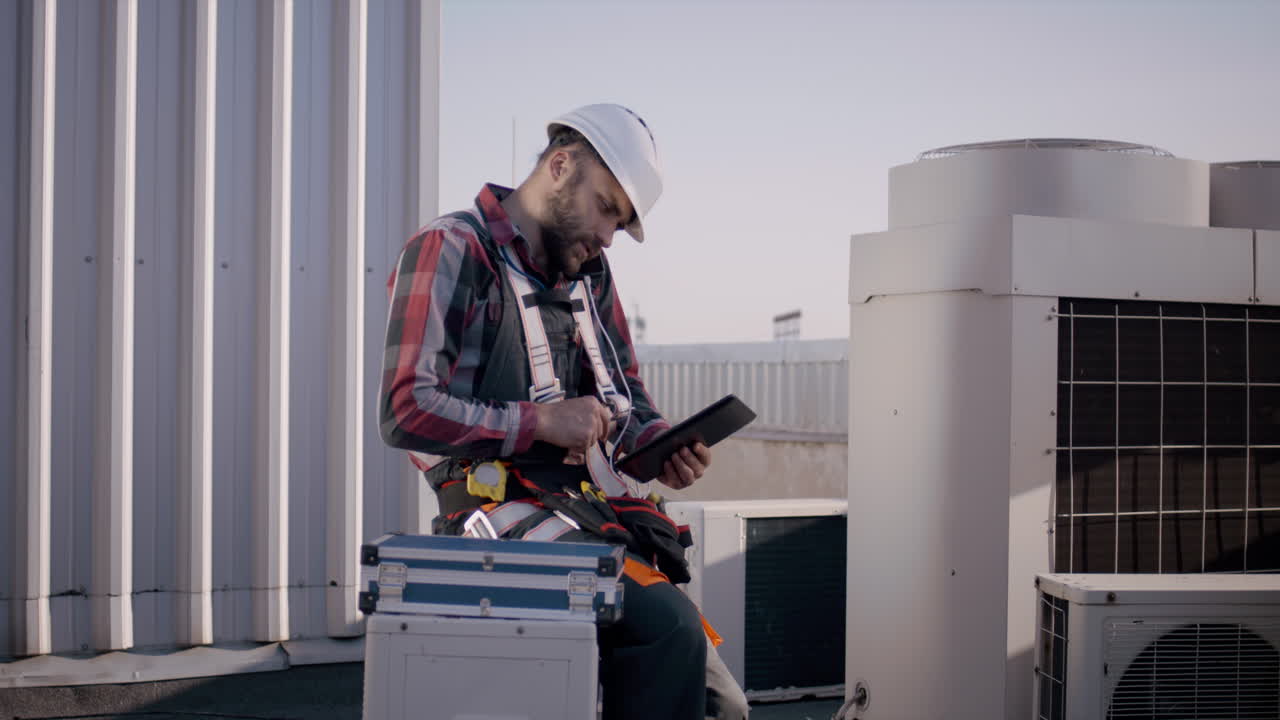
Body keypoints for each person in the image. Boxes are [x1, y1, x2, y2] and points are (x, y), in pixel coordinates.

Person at [378, 103, 749, 720]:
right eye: (606, 207)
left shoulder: (588, 275)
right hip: (495, 518)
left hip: (590, 515)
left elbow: (624, 392)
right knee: (667, 631)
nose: (608, 236)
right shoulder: (448, 249)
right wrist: (542, 422)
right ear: (559, 166)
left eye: (620, 222)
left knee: (721, 703)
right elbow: (404, 409)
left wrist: (663, 443)